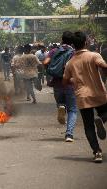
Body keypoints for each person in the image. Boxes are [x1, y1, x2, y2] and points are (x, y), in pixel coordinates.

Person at [63, 31, 107, 163]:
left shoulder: (70, 62)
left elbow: (65, 81)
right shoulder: (94, 55)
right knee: (105, 112)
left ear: (73, 45)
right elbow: (104, 66)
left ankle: (97, 152)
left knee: (88, 126)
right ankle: (101, 118)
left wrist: (74, 80)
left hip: (82, 96)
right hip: (98, 93)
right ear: (86, 42)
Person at [44, 31, 77, 142]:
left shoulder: (54, 51)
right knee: (72, 110)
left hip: (57, 83)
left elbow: (45, 62)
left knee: (61, 102)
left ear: (61, 39)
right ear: (72, 41)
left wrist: (50, 72)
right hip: (70, 84)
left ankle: (61, 106)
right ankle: (69, 134)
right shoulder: (74, 52)